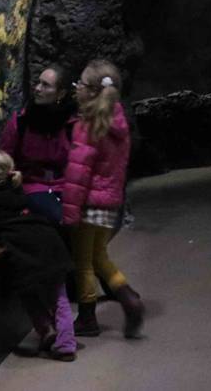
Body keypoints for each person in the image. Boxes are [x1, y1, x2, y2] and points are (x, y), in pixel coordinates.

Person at [0, 150, 79, 362]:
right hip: (51, 245)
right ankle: (65, 344)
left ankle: (47, 331)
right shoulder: (18, 190)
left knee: (28, 293)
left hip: (27, 256)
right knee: (59, 298)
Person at [62, 59, 145, 338]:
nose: (76, 89)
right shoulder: (117, 121)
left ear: (91, 91)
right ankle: (128, 296)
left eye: (80, 84)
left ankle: (87, 318)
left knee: (83, 263)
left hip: (88, 205)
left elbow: (78, 174)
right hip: (109, 205)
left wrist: (70, 212)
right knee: (99, 256)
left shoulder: (88, 125)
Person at [0, 64, 76, 223]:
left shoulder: (72, 124)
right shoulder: (21, 122)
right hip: (32, 187)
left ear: (61, 93)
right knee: (59, 218)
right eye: (38, 83)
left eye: (45, 85)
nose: (38, 88)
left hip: (65, 187)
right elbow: (3, 158)